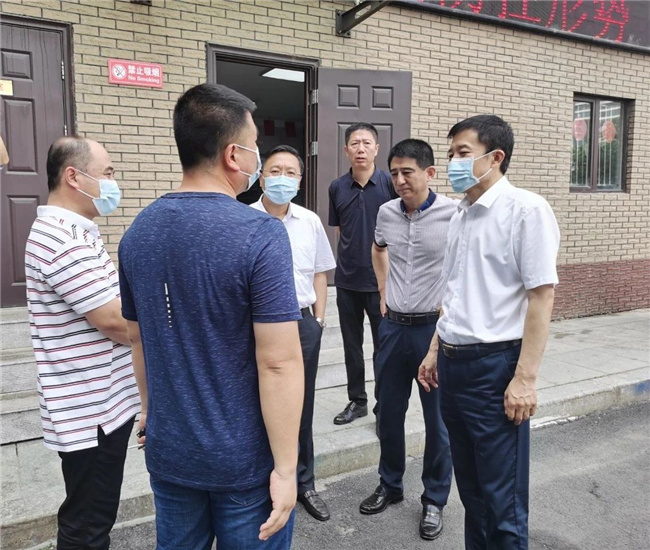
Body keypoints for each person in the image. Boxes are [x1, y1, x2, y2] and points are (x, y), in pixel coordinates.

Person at [118, 84, 305, 549]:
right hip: (242, 461)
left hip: (170, 451)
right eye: (254, 145)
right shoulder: (261, 233)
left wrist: (150, 411)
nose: (258, 157)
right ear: (232, 155)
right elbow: (278, 362)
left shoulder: (137, 232)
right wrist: (287, 470)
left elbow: (138, 339)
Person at [418, 115, 560, 549]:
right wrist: (434, 349)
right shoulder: (460, 215)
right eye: (450, 154)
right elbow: (455, 293)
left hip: (495, 368)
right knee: (472, 492)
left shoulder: (525, 210)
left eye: (463, 153)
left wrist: (525, 379)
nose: (453, 163)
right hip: (453, 365)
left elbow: (541, 297)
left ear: (496, 157)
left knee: (502, 501)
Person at [24, 136, 140, 549]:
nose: (112, 183)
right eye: (107, 173)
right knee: (87, 523)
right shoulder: (61, 239)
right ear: (74, 177)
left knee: (92, 514)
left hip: (102, 402)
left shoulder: (76, 232)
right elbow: (115, 322)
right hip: (91, 409)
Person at [360, 139, 454, 541]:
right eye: (394, 172)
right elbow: (378, 249)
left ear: (429, 173)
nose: (399, 180)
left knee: (438, 420)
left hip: (434, 332)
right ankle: (390, 484)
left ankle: (434, 499)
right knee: (389, 412)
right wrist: (383, 291)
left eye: (407, 172)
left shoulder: (454, 214)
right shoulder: (386, 213)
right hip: (393, 329)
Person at [251, 145, 336, 522]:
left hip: (301, 323)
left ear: (300, 181)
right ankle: (261, 481)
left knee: (300, 405)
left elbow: (320, 272)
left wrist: (318, 319)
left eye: (290, 172)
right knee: (255, 402)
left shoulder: (310, 221)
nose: (282, 178)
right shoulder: (244, 219)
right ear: (260, 177)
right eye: (274, 171)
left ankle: (304, 482)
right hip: (255, 325)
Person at [328, 122, 397, 426]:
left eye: (367, 143)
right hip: (347, 282)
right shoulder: (337, 187)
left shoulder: (390, 184)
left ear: (376, 149)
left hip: (381, 283)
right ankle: (358, 401)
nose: (361, 149)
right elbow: (341, 230)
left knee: (384, 348)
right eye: (355, 143)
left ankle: (384, 407)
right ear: (346, 150)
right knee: (352, 347)